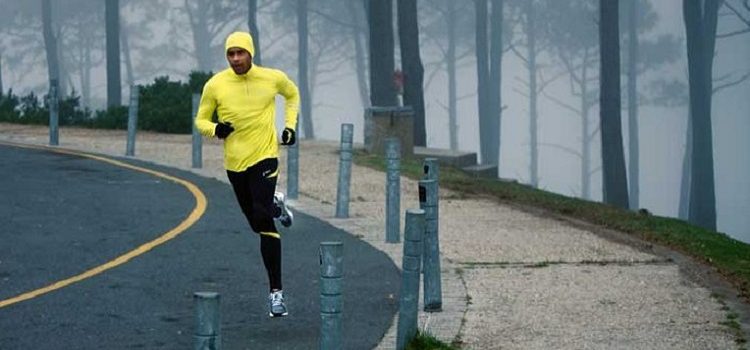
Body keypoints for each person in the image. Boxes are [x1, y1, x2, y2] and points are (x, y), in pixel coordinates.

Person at [194, 31, 299, 318]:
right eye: (231, 54)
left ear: (251, 53)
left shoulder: (271, 77)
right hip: (235, 163)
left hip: (265, 156)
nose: (236, 59)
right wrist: (216, 129)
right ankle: (276, 203)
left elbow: (292, 94)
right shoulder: (216, 84)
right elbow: (200, 119)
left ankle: (276, 294)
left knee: (263, 219)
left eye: (241, 53)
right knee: (255, 222)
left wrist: (289, 126)